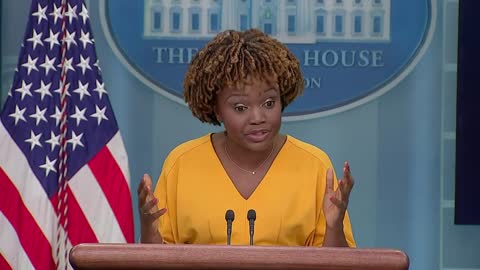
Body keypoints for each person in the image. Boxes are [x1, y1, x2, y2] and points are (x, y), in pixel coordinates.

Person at [137, 28, 355, 247]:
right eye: (240, 108)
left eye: (269, 103)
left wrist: (334, 227)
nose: (258, 117)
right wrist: (148, 230)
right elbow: (158, 258)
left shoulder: (315, 166)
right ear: (217, 110)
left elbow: (338, 263)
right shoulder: (181, 163)